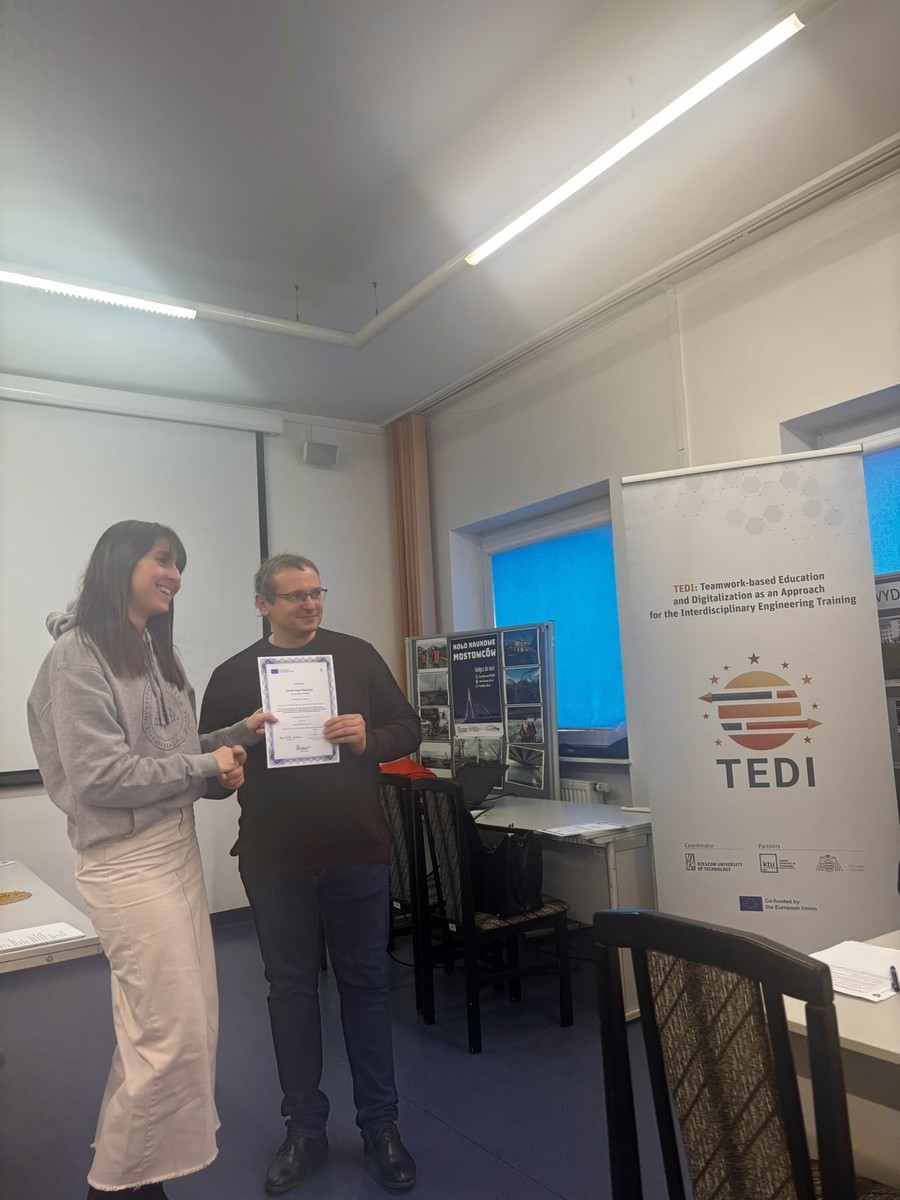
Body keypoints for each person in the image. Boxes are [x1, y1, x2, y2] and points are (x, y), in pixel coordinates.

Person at [27, 520, 272, 1200]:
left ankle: (142, 1172)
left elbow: (169, 754)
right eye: (162, 560)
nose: (175, 576)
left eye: (179, 564)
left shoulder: (151, 651)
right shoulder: (77, 657)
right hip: (127, 862)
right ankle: (115, 1187)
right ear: (120, 563)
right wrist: (208, 765)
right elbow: (102, 777)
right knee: (169, 1034)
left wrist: (235, 737)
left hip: (174, 848)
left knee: (171, 1028)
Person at [199, 554, 421, 1195]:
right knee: (290, 993)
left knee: (367, 987)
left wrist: (368, 738)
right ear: (262, 604)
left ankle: (381, 1126)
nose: (311, 604)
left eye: (317, 592)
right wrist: (227, 771)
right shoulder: (233, 674)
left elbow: (408, 728)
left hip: (357, 851)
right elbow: (205, 769)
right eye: (295, 596)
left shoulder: (357, 656)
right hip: (275, 859)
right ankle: (304, 1129)